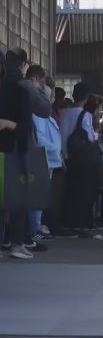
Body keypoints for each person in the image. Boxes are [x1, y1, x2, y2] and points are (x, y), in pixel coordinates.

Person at [0, 50, 37, 259]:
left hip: (11, 150)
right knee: (16, 199)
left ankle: (13, 242)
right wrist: (10, 124)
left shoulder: (18, 89)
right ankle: (16, 243)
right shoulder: (21, 88)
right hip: (14, 151)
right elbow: (27, 125)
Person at [60, 82, 101, 231]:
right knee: (84, 191)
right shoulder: (85, 115)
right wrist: (96, 134)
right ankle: (81, 221)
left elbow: (63, 136)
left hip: (68, 157)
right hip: (83, 159)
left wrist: (64, 155)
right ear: (86, 98)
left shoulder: (65, 114)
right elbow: (89, 137)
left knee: (71, 190)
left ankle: (69, 221)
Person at [27, 66, 60, 242]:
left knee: (38, 195)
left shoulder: (43, 113)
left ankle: (35, 226)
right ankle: (34, 227)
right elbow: (40, 137)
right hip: (43, 156)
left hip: (48, 157)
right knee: (37, 195)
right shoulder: (39, 113)